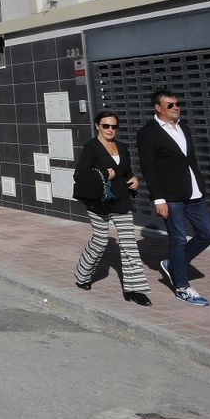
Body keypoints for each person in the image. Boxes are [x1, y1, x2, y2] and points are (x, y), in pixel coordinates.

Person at [137, 89, 210, 307]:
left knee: (208, 234)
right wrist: (158, 198)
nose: (176, 107)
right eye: (170, 105)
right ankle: (182, 287)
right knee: (179, 239)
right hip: (170, 196)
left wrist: (199, 184)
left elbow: (189, 161)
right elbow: (149, 168)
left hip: (193, 192)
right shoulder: (148, 133)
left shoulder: (184, 128)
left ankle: (172, 263)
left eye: (177, 103)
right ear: (158, 107)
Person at [73, 112, 152, 306]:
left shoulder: (122, 147)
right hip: (99, 202)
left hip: (121, 201)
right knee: (100, 241)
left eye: (114, 127)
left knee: (129, 245)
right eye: (106, 126)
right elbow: (79, 175)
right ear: (97, 126)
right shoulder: (91, 148)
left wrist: (133, 179)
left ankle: (134, 290)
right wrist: (102, 174)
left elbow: (126, 171)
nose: (110, 130)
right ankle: (82, 275)